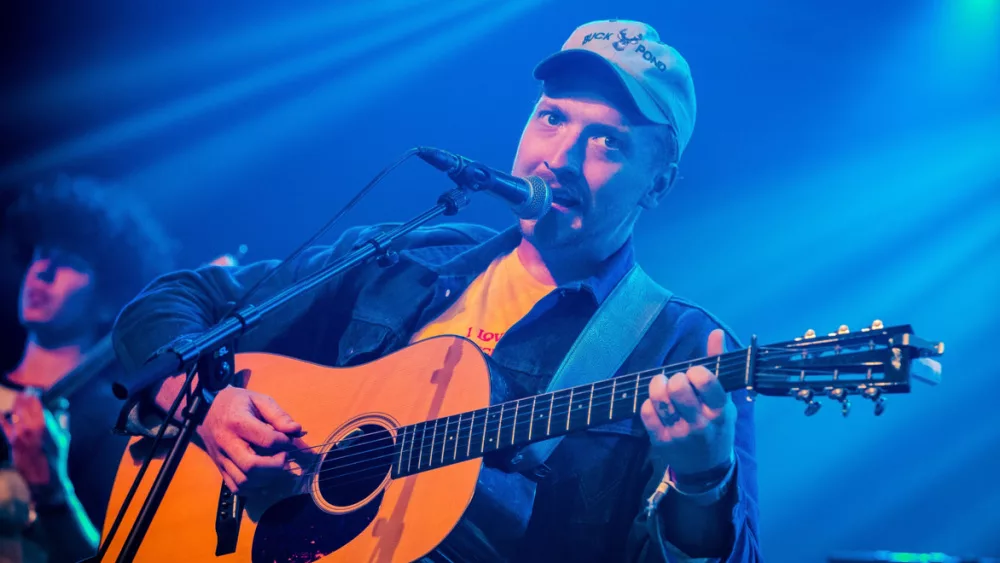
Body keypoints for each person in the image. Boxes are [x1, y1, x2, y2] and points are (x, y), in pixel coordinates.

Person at [111, 18, 760, 562]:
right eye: (551, 118)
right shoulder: (401, 256)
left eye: (607, 142)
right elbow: (175, 302)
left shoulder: (682, 349)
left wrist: (703, 483)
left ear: (660, 183)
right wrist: (207, 406)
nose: (558, 157)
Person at [0, 174, 176, 563]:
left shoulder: (116, 422)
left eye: (69, 264)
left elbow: (114, 554)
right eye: (40, 253)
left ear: (106, 301)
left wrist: (52, 491)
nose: (42, 270)